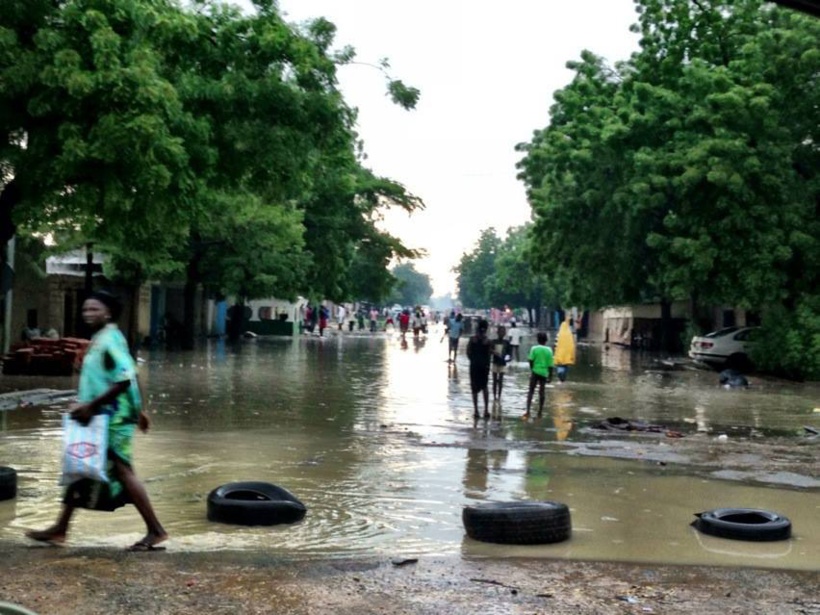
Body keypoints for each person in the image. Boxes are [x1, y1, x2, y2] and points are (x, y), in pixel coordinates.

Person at [26, 291, 168, 551]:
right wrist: (141, 410)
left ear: (109, 313)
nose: (88, 314)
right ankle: (60, 529)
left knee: (123, 471)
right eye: (85, 310)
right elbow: (132, 375)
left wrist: (93, 405)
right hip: (101, 414)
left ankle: (156, 530)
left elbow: (124, 379)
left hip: (111, 417)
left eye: (94, 309)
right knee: (80, 464)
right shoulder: (103, 338)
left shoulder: (109, 340)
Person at [524, 331, 554, 419]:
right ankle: (540, 411)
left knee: (531, 391)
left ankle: (528, 410)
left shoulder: (534, 348)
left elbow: (530, 360)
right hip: (544, 374)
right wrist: (550, 376)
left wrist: (532, 368)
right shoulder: (549, 350)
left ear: (537, 340)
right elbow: (550, 365)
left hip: (535, 372)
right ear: (546, 340)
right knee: (542, 392)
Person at [466, 319, 492, 419]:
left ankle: (476, 411)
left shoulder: (472, 339)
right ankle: (486, 410)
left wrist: (473, 360)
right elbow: (489, 354)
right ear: (486, 329)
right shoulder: (488, 341)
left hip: (474, 366)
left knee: (474, 387)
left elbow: (468, 352)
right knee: (484, 387)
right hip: (484, 366)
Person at [491, 325, 512, 402]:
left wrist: (508, 358)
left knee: (500, 380)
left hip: (503, 363)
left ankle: (499, 396)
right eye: (500, 332)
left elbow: (510, 353)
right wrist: (494, 352)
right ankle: (494, 396)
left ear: (505, 333)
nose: (502, 333)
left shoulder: (507, 343)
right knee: (494, 380)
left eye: (503, 332)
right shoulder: (493, 342)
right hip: (495, 362)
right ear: (498, 332)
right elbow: (489, 350)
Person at [553, 316, 576, 383]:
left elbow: (555, 345)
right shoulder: (570, 334)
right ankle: (563, 379)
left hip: (559, 354)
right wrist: (572, 356)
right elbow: (572, 346)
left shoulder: (559, 335)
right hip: (567, 355)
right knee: (565, 366)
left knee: (560, 366)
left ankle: (560, 377)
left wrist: (554, 352)